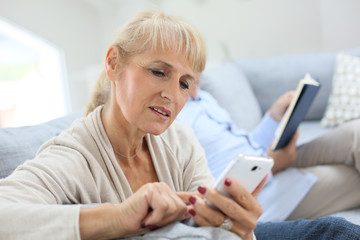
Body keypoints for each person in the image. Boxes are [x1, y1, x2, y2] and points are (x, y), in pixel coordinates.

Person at [1, 9, 359, 240]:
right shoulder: (72, 157)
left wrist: (239, 227)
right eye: (159, 72)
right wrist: (119, 218)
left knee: (338, 230)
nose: (174, 95)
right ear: (113, 64)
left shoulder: (181, 140)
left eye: (185, 83)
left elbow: (219, 231)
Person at [176, 80, 360, 221]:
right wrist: (272, 166)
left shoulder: (204, 98)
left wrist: (273, 117)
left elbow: (248, 145)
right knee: (354, 178)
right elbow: (208, 192)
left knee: (356, 132)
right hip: (263, 193)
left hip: (268, 160)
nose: (198, 76)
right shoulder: (173, 119)